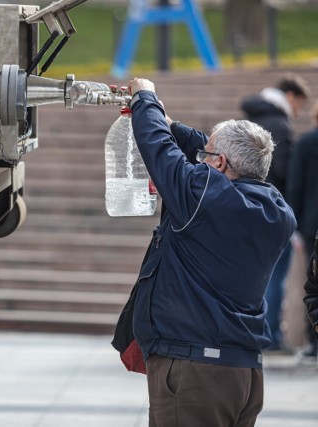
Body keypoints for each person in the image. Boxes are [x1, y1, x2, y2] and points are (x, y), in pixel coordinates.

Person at [114, 78, 296, 427]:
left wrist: (145, 98)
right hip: (242, 371)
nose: (198, 160)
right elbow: (204, 153)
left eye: (207, 156)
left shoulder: (207, 199)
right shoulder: (274, 210)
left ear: (221, 163)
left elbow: (162, 155)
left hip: (196, 372)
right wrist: (170, 124)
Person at [240, 74, 310, 351]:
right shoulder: (279, 124)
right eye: (300, 105)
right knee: (273, 275)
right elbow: (281, 170)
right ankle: (268, 336)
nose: (298, 112)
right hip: (269, 210)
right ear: (291, 97)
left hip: (245, 207)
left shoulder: (251, 118)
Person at [287, 100, 318, 359]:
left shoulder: (306, 142)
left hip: (312, 224)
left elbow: (296, 185)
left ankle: (314, 342)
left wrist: (294, 225)